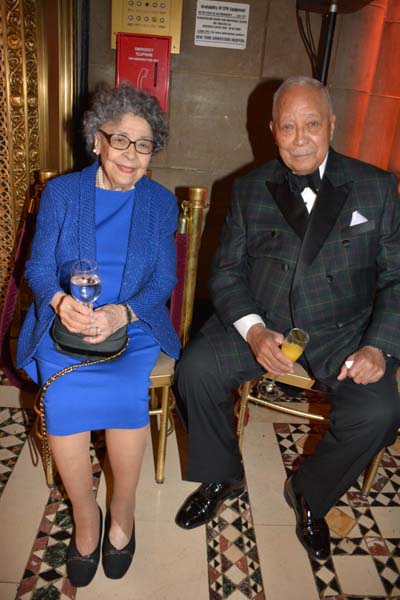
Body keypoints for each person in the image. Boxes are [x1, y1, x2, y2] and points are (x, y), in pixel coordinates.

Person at [174, 76, 400, 561]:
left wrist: (378, 345)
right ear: (272, 129)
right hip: (264, 320)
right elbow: (227, 273)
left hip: (345, 329)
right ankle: (222, 475)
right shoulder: (248, 189)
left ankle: (310, 495)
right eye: (289, 127)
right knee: (194, 369)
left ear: (331, 125)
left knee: (379, 414)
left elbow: (397, 277)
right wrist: (253, 331)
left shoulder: (376, 187)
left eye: (312, 124)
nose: (300, 139)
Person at [17, 84, 180, 586]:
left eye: (144, 143)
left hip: (132, 325)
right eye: (121, 140)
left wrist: (122, 314)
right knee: (64, 389)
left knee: (124, 391)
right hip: (65, 325)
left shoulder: (160, 202)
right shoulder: (63, 193)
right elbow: (39, 268)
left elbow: (163, 281)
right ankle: (86, 517)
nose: (132, 154)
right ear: (97, 141)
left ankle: (123, 513)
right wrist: (62, 302)